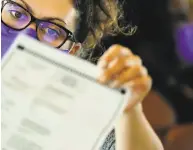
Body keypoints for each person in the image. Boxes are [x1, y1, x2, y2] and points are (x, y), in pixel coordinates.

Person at [1, 0, 164, 149]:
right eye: (16, 14)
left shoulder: (77, 120)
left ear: (72, 51)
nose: (25, 36)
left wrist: (130, 111)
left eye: (52, 31)